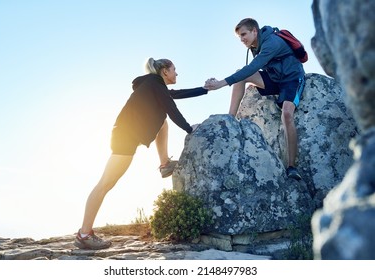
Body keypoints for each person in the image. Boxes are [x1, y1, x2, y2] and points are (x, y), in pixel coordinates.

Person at [74, 58, 209, 250]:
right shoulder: (155, 83)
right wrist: (189, 129)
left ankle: (164, 164)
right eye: (174, 69)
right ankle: (84, 234)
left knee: (162, 123)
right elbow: (171, 108)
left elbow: (173, 96)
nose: (176, 73)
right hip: (125, 138)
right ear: (164, 71)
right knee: (105, 184)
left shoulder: (152, 84)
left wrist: (205, 89)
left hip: (126, 134)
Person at [204, 18, 305, 181]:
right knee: (241, 76)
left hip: (291, 79)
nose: (242, 39)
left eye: (244, 34)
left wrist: (221, 83)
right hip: (274, 79)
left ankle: (292, 167)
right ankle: (230, 119)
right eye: (239, 37)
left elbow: (252, 67)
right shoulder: (254, 46)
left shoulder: (271, 42)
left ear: (254, 31)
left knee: (287, 114)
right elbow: (246, 72)